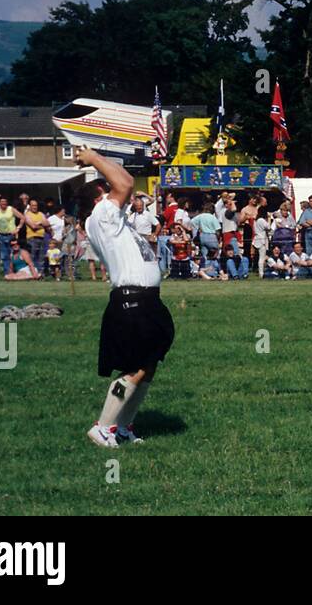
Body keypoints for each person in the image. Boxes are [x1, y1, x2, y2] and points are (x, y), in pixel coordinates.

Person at [73, 148, 174, 449]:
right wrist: (92, 158)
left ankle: (121, 427)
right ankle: (103, 427)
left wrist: (98, 159)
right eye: (107, 190)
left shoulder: (111, 219)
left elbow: (124, 183)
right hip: (132, 300)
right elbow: (126, 184)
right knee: (135, 368)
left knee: (149, 364)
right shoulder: (101, 214)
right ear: (99, 197)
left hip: (145, 299)